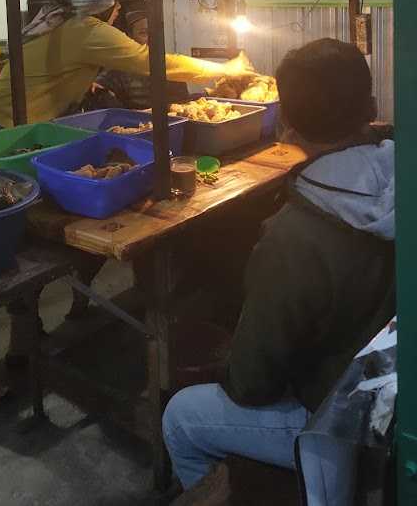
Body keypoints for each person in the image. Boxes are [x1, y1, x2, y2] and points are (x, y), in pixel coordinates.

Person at [0, 0, 254, 404]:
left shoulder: (63, 27)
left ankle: (23, 340)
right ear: (111, 10)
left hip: (15, 132)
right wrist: (221, 65)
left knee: (20, 238)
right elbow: (152, 62)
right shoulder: (87, 31)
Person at [163, 38, 395, 490]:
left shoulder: (292, 236)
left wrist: (228, 360)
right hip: (396, 380)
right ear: (370, 105)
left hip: (341, 415)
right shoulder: (410, 173)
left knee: (181, 416)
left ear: (285, 122)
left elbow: (252, 383)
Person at [86, 3, 189, 110]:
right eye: (144, 33)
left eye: (155, 32)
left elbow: (184, 103)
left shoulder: (169, 66)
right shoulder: (118, 69)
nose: (151, 38)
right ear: (130, 37)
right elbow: (97, 89)